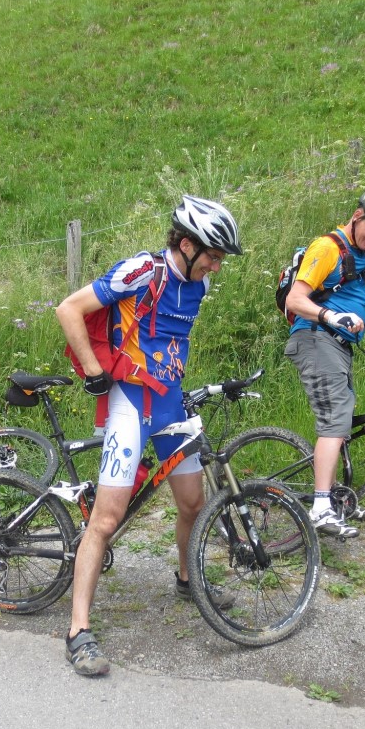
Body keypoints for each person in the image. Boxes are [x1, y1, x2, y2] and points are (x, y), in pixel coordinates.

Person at [55, 195, 242, 676]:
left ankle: (186, 579)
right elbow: (68, 309)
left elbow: (168, 343)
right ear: (185, 244)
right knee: (107, 518)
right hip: (130, 403)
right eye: (213, 257)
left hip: (170, 403)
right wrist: (95, 371)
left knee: (192, 502)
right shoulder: (143, 271)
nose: (216, 268)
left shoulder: (196, 284)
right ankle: (78, 630)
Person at [284, 186, 365, 538]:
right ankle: (321, 507)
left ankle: (335, 498)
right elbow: (295, 299)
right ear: (357, 217)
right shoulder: (328, 248)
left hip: (337, 346)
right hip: (314, 338)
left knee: (340, 421)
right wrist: (329, 316)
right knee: (335, 419)